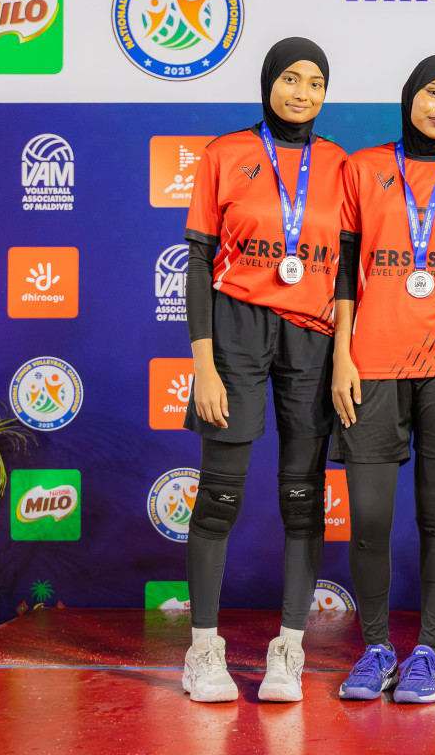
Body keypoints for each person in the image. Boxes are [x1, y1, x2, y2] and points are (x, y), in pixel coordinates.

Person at [180, 37, 346, 704]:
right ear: (267, 83)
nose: (302, 92)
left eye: (315, 82)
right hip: (237, 331)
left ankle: (289, 648)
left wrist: (346, 355)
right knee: (219, 492)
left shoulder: (340, 165)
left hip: (312, 339)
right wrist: (204, 364)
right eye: (290, 79)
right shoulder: (225, 154)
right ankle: (203, 650)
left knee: (302, 495)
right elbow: (196, 262)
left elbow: (354, 270)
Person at [331, 56, 435, 704]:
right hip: (373, 362)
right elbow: (345, 269)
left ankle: (430, 651)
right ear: (409, 97)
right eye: (433, 92)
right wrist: (343, 354)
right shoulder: (364, 168)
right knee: (369, 518)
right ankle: (375, 649)